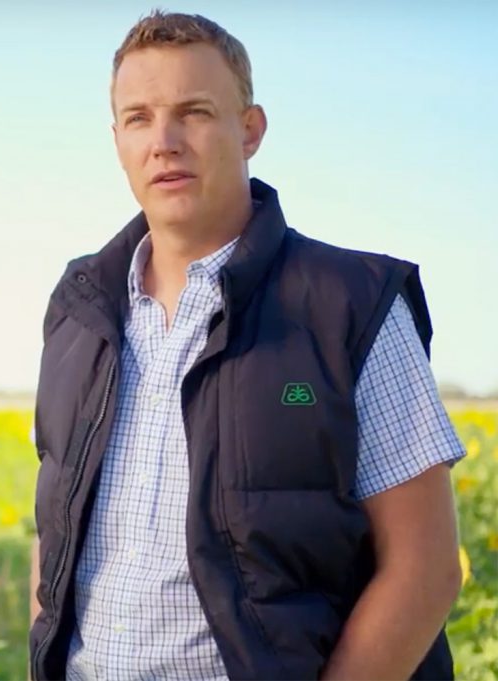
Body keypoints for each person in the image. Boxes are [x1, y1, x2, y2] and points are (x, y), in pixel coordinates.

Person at [28, 9, 466, 681]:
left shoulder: (350, 300)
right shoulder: (80, 307)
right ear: (116, 138)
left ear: (250, 129)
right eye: (139, 118)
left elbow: (426, 568)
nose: (165, 141)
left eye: (194, 112)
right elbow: (55, 533)